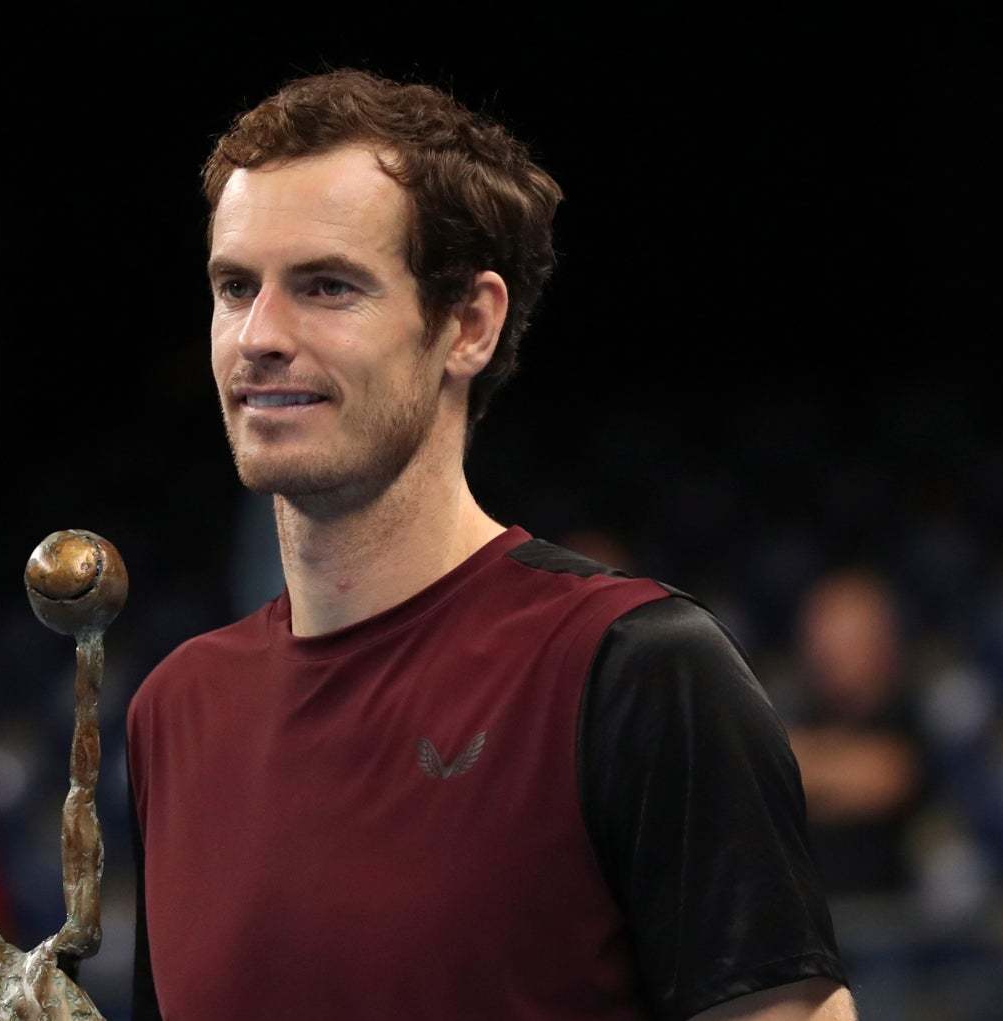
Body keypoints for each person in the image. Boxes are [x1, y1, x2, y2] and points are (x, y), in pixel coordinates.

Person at [125, 69, 853, 1020]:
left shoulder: (636, 672)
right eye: (235, 287)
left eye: (327, 286)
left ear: (468, 323)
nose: (259, 335)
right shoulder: (173, 711)